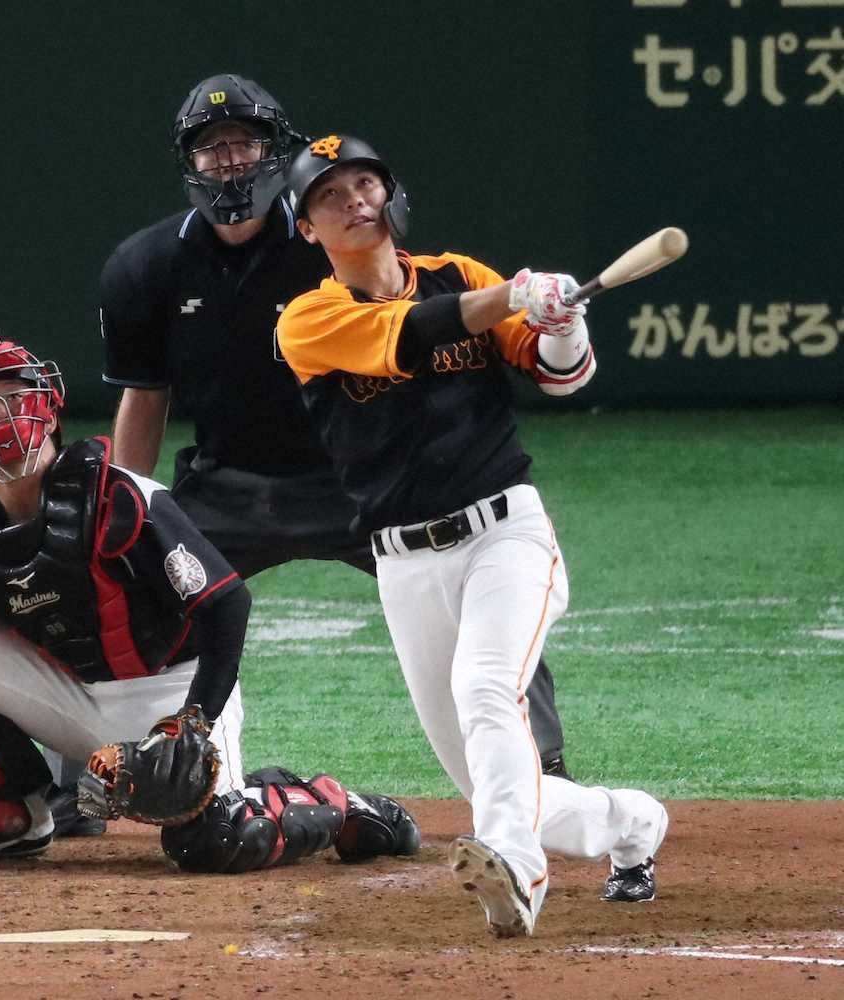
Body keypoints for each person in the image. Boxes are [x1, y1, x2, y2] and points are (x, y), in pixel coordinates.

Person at [85, 73, 571, 825]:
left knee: (479, 607)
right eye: (212, 148)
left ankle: (547, 774)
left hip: (358, 485)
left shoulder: (331, 243)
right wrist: (126, 507)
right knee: (122, 588)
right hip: (227, 484)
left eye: (245, 142)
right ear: (189, 162)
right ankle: (82, 778)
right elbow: (145, 398)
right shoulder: (143, 266)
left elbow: (419, 324)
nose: (230, 160)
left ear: (277, 152)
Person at [276, 135, 669, 936]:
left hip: (504, 534)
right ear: (308, 229)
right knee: (493, 779)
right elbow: (411, 330)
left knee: (487, 691)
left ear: (390, 195)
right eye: (329, 196)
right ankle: (632, 822)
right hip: (402, 563)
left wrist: (560, 321)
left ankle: (517, 873)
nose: (353, 201)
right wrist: (517, 294)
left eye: (364, 183)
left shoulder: (462, 273)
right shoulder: (308, 319)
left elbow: (563, 375)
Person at [0, 331, 419, 871]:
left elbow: (228, 604)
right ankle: (6, 819)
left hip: (173, 691)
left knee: (215, 839)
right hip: (72, 697)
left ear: (48, 401)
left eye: (12, 396)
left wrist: (194, 721)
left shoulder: (123, 497)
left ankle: (334, 803)